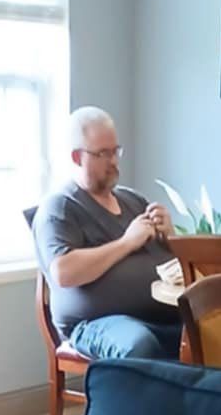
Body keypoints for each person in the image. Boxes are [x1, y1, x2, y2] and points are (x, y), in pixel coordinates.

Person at [31, 107, 181, 363]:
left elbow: (173, 265)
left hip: (162, 315)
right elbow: (63, 272)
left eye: (116, 151)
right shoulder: (60, 208)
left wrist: (171, 236)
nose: (114, 161)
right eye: (103, 154)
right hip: (95, 324)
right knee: (139, 345)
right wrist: (126, 243)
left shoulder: (134, 200)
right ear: (77, 157)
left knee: (217, 330)